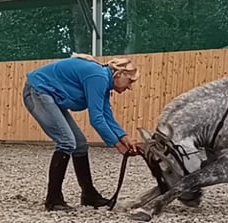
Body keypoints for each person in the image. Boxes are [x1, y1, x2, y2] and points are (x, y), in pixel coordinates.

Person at [23, 53, 141, 211]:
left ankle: (89, 195)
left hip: (49, 94)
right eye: (130, 81)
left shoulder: (103, 80)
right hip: (38, 90)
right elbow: (96, 119)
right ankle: (53, 200)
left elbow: (106, 115)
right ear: (119, 74)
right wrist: (118, 146)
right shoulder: (98, 77)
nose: (130, 87)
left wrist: (123, 137)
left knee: (80, 144)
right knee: (66, 142)